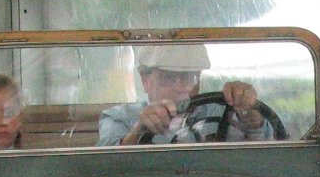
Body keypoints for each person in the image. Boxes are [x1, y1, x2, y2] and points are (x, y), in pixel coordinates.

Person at [98, 44, 270, 145]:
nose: (180, 87)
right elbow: (106, 166)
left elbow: (266, 152)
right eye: (168, 78)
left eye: (189, 77)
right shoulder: (119, 118)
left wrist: (249, 112)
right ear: (145, 80)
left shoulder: (224, 112)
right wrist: (139, 131)